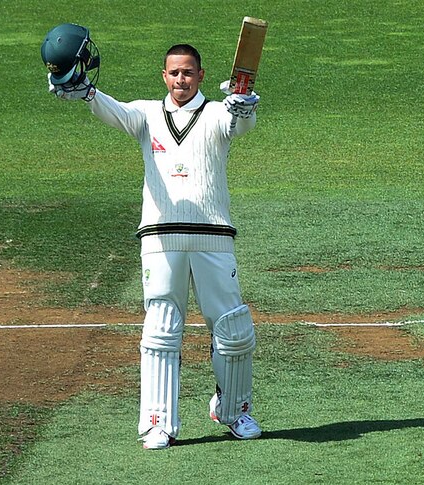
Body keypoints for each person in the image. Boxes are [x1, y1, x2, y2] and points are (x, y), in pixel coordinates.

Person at [41, 23, 262, 450]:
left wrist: (244, 106)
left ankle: (234, 411)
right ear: (165, 76)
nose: (182, 79)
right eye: (174, 73)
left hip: (214, 235)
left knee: (233, 329)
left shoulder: (217, 111)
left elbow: (239, 124)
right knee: (162, 327)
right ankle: (159, 423)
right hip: (160, 238)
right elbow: (107, 107)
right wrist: (80, 88)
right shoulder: (145, 113)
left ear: (200, 75)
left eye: (189, 73)